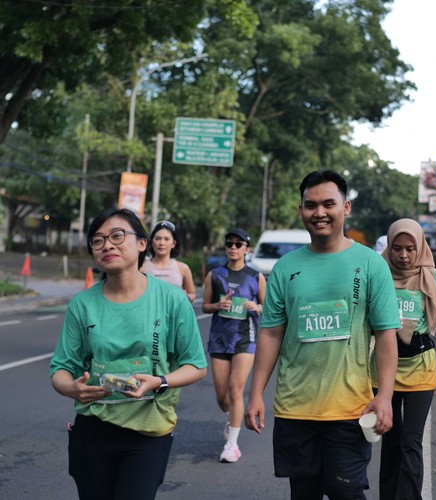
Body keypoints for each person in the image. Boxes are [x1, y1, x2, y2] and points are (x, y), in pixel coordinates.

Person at [245, 170, 401, 499]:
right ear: (300, 210)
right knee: (304, 494)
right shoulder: (285, 268)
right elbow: (271, 334)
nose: (319, 213)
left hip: (350, 409)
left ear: (346, 207)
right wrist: (255, 393)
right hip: (294, 409)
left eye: (328, 204)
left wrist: (385, 395)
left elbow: (386, 335)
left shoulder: (371, 264)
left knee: (346, 492)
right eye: (311, 205)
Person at [49, 207, 207, 500]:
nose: (107, 245)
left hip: (148, 431)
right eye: (98, 241)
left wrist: (159, 381)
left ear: (142, 243)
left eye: (117, 236)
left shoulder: (172, 300)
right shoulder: (82, 304)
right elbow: (61, 368)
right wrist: (71, 388)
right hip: (93, 429)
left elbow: (196, 365)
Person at [370, 218, 436, 500]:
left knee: (410, 442)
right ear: (389, 248)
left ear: (420, 248)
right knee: (391, 440)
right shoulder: (378, 275)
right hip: (384, 371)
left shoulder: (433, 279)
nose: (403, 255)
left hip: (420, 369)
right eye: (397, 248)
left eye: (410, 249)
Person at [202, 228, 266, 463]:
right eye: (229, 243)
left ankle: (232, 445)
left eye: (238, 244)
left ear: (246, 249)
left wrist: (256, 307)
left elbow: (267, 308)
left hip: (245, 338)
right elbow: (205, 306)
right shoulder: (215, 275)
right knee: (222, 396)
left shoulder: (255, 276)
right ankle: (231, 417)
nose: (233, 247)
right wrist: (217, 306)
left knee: (235, 389)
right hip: (220, 337)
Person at [142, 220, 196, 303]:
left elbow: (192, 294)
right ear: (152, 242)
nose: (162, 243)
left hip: (175, 311)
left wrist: (186, 296)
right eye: (157, 238)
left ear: (173, 243)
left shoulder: (183, 268)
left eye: (166, 239)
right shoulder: (142, 267)